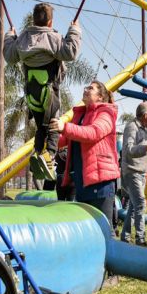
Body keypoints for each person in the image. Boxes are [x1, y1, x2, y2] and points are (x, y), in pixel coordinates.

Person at [4, 2, 82, 181]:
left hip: (31, 92)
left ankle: (37, 151)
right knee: (54, 123)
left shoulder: (22, 38)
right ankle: (51, 156)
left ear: (33, 19)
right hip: (50, 91)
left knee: (41, 127)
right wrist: (74, 31)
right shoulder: (53, 39)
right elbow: (70, 53)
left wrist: (10, 36)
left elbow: (9, 56)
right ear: (50, 23)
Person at [49, 81, 119, 232]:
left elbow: (93, 133)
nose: (86, 89)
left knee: (105, 230)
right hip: (83, 181)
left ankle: (109, 255)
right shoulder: (80, 116)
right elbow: (67, 139)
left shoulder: (106, 113)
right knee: (88, 231)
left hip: (101, 182)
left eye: (91, 88)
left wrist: (64, 127)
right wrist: (50, 136)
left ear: (100, 97)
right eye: (86, 87)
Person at [120, 102, 147, 246]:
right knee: (140, 204)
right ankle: (140, 238)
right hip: (132, 171)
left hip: (140, 172)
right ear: (145, 115)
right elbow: (129, 149)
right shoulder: (132, 127)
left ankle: (125, 237)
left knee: (133, 207)